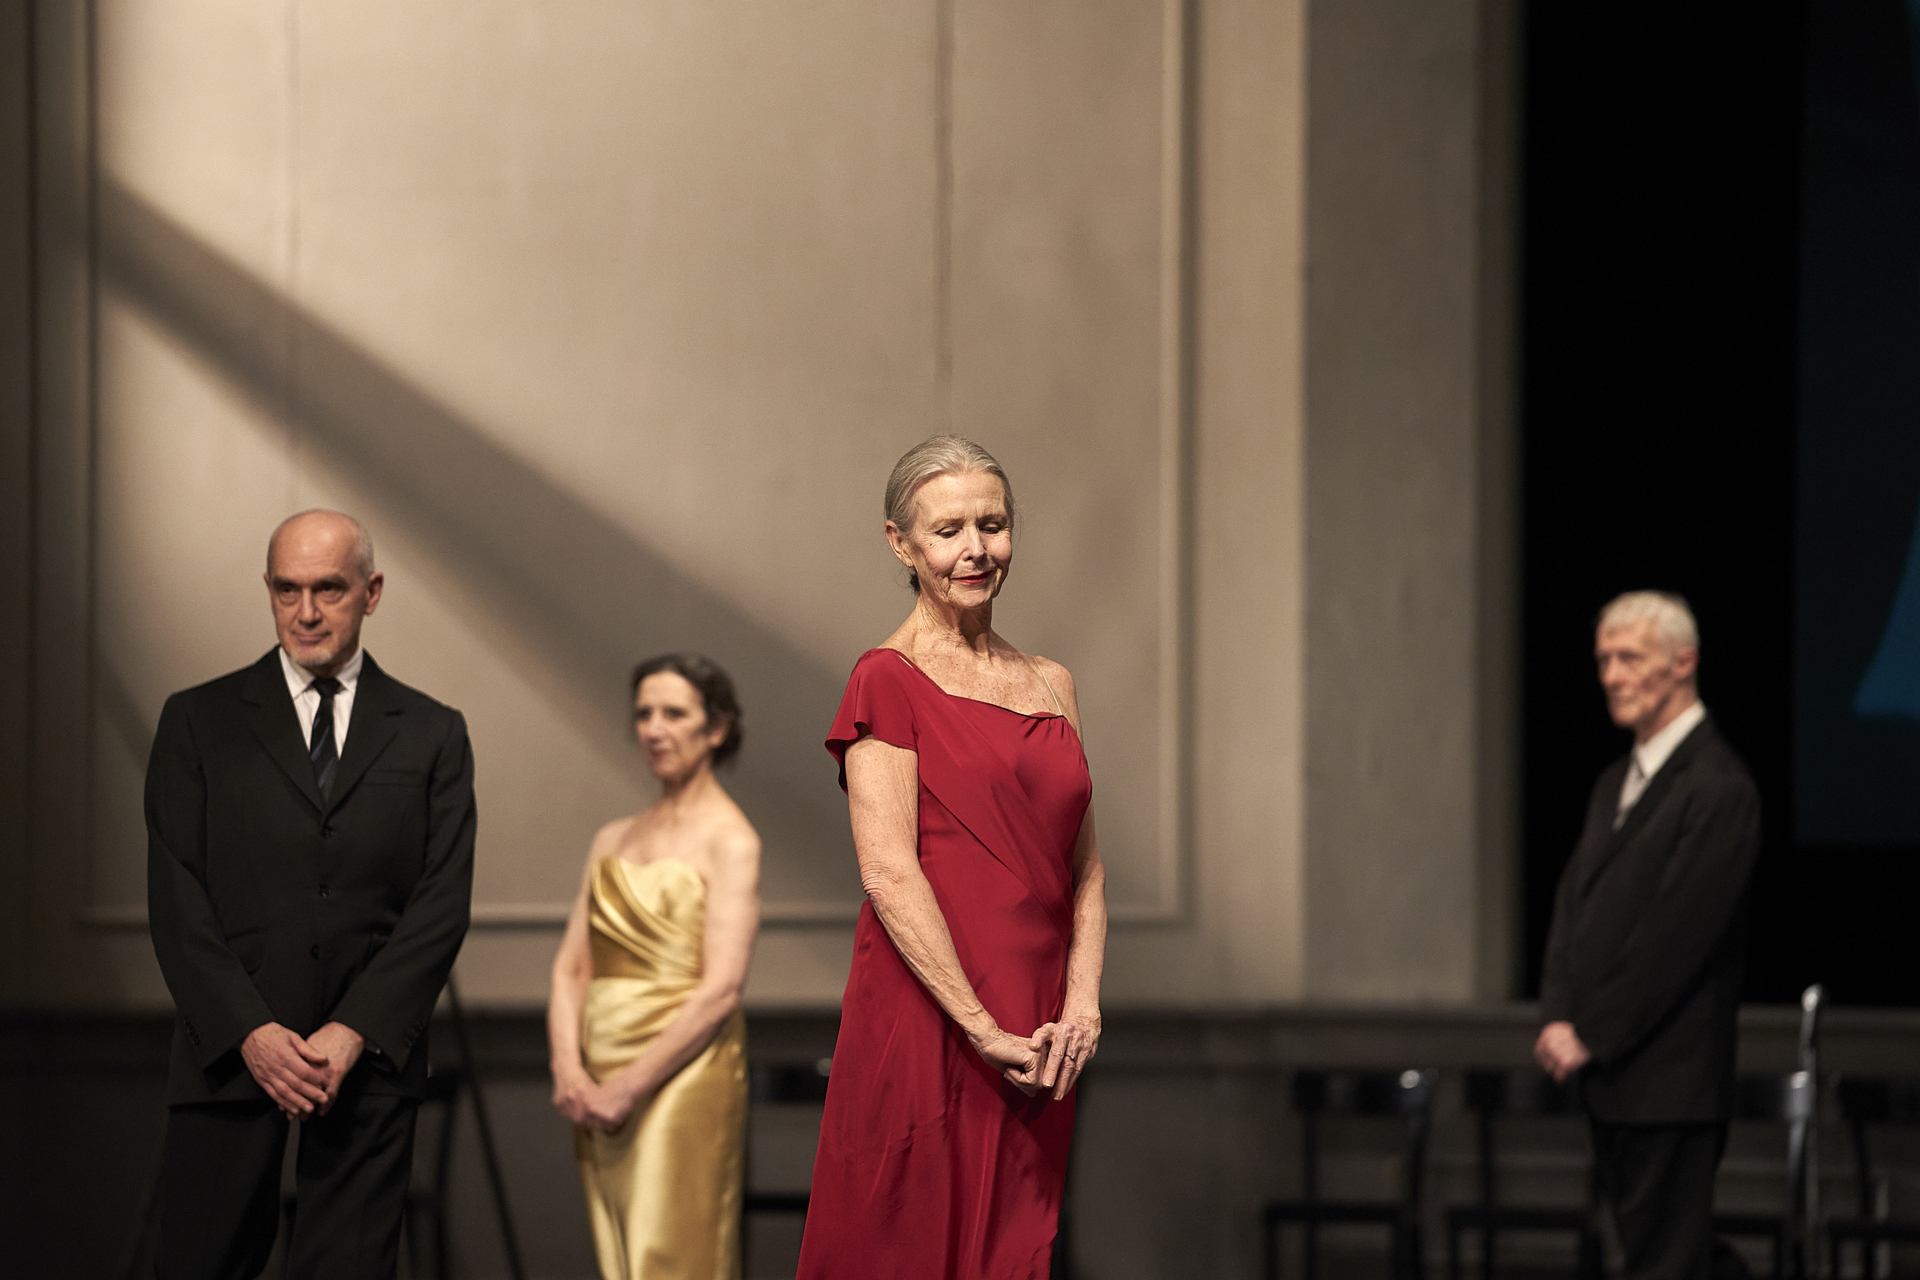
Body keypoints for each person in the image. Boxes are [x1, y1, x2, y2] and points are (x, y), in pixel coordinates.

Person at [795, 435, 1108, 1279]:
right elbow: (888, 872)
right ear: (900, 543)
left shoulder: (1053, 682)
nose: (976, 549)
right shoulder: (884, 678)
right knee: (907, 1243)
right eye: (949, 531)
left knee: (1015, 1246)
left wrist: (1081, 1005)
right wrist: (978, 1026)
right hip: (934, 1016)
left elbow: (1085, 867)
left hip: (1039, 1028)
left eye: (994, 524)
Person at [145, 510, 476, 1278]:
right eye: (286, 590)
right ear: (268, 591)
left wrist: (354, 1031)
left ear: (372, 591)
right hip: (229, 1053)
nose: (306, 612)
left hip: (364, 1063)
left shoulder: (432, 732)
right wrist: (252, 1034)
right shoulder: (197, 721)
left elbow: (440, 905)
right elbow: (176, 897)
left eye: (329, 588)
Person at [1536, 590, 1762, 1280]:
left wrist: (1593, 1030)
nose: (1610, 675)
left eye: (1629, 657)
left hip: (1669, 1080)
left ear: (1683, 662)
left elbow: (1676, 939)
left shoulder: (1719, 788)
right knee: (1655, 1259)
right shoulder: (1614, 781)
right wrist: (1556, 1014)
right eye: (1604, 659)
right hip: (1614, 1078)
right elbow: (1574, 906)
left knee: (1666, 1262)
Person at [547, 653, 761, 1280]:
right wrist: (568, 1069)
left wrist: (629, 1085)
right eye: (644, 713)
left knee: (668, 1256)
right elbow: (570, 968)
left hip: (680, 1073)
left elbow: (722, 989)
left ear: (715, 729)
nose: (654, 729)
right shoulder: (613, 838)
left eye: (674, 713)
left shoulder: (732, 839)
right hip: (597, 1073)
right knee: (618, 1255)